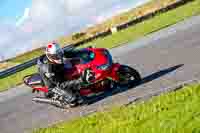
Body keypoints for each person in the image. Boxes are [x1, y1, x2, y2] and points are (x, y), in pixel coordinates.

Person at [37, 41, 84, 107]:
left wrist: (84, 51)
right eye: (56, 56)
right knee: (75, 99)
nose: (59, 57)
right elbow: (61, 84)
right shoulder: (49, 69)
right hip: (54, 85)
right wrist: (79, 80)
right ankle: (60, 99)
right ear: (50, 56)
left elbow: (71, 52)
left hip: (58, 73)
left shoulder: (55, 54)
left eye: (60, 54)